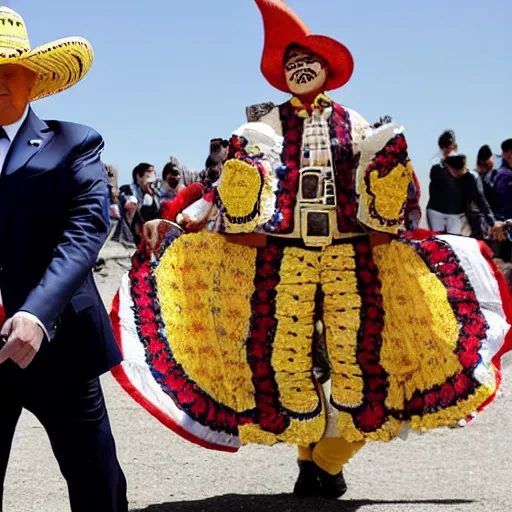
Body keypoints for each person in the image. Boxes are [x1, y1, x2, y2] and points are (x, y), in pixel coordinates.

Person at [111, 0, 511, 502]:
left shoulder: (355, 122)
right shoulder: (264, 128)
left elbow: (393, 188)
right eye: (292, 62)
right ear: (283, 73)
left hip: (353, 258)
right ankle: (316, 465)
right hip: (281, 260)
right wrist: (192, 213)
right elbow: (232, 184)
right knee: (285, 370)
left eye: (309, 61)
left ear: (327, 69)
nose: (300, 68)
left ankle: (323, 462)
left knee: (366, 369)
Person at [0, 7, 127, 511]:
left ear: (33, 78)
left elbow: (84, 232)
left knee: (95, 482)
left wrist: (34, 313)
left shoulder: (74, 142)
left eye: (8, 70)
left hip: (59, 343)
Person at [427, 133, 495, 236]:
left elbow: (479, 199)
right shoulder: (437, 170)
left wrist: (492, 221)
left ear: (454, 146)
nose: (448, 149)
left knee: (453, 243)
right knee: (438, 242)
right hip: (436, 213)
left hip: (456, 215)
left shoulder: (470, 177)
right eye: (444, 147)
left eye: (450, 146)